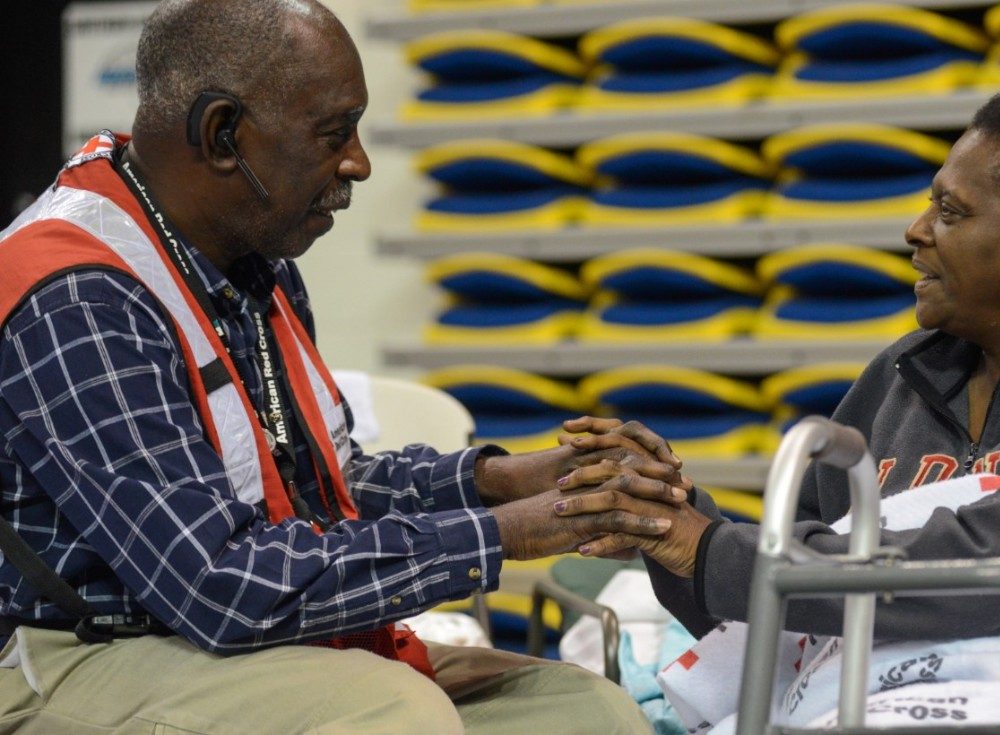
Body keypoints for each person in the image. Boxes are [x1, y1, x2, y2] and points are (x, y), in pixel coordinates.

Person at [0, 1, 688, 733]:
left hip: (222, 644)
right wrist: (510, 532)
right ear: (222, 133)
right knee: (396, 715)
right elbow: (220, 583)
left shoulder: (252, 262)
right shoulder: (76, 294)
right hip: (75, 656)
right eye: (334, 133)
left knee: (587, 714)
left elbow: (326, 489)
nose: (358, 161)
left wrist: (507, 480)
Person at [556, 90, 1000, 642]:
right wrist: (665, 514)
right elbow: (780, 599)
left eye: (950, 211)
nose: (916, 230)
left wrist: (707, 549)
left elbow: (987, 567)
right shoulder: (902, 376)